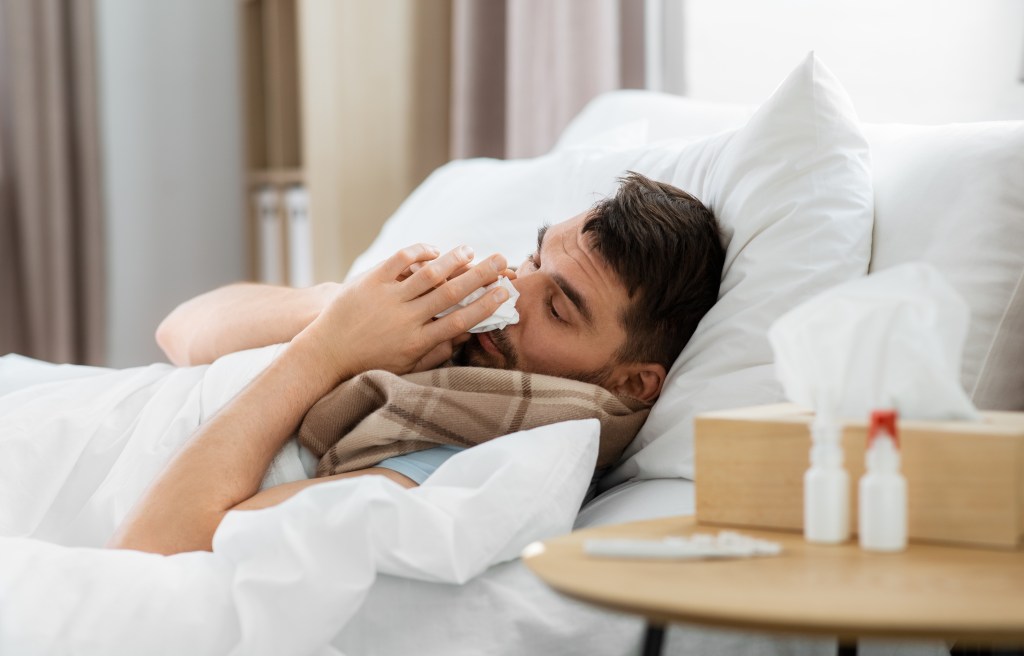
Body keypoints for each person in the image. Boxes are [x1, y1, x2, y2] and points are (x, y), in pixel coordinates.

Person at [107, 172, 724, 555]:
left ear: (633, 381)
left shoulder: (468, 465)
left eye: (558, 309)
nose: (510, 292)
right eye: (533, 261)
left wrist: (326, 353)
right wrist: (337, 310)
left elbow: (157, 548)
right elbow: (179, 329)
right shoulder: (426, 343)